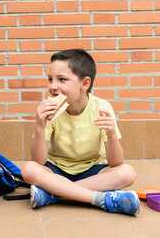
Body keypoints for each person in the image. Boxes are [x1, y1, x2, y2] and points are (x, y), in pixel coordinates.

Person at [21, 49, 140, 215]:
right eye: (50, 79)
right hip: (56, 171)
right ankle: (101, 199)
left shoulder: (102, 108)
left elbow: (115, 162)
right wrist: (40, 127)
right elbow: (38, 160)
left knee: (127, 172)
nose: (52, 86)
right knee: (29, 169)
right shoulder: (50, 110)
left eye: (62, 79)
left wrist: (112, 135)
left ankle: (53, 194)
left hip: (92, 171)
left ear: (85, 84)